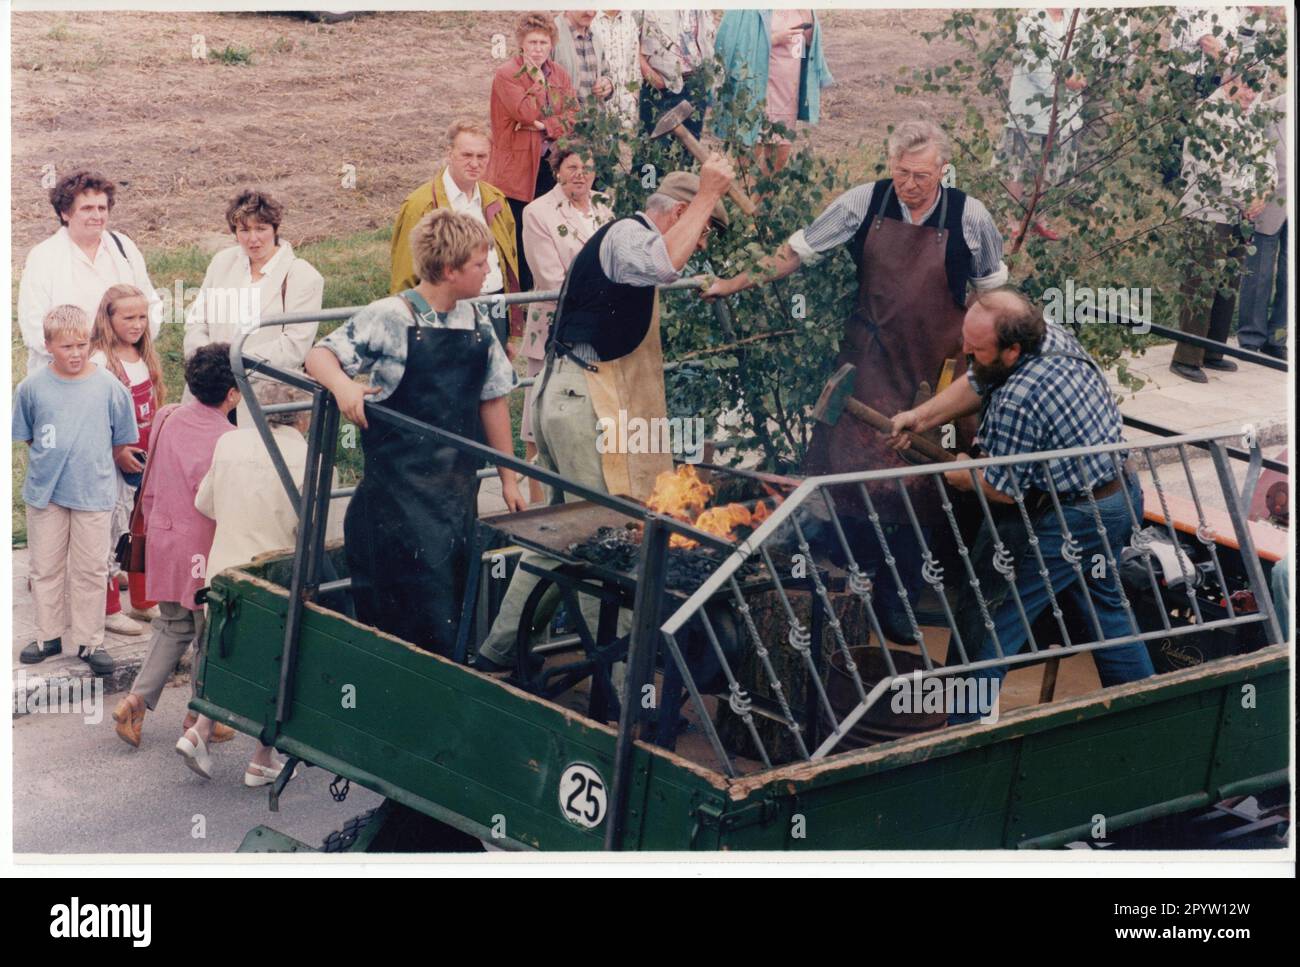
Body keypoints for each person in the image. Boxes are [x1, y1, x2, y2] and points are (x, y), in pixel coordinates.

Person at [705, 119, 1007, 644]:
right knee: (851, 483)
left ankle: (901, 599)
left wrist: (983, 364)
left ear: (942, 169)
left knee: (924, 494)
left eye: (921, 175)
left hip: (938, 377)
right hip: (868, 366)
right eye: (901, 173)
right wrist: (732, 284)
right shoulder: (863, 203)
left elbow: (993, 295)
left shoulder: (970, 217)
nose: (909, 185)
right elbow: (795, 252)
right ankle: (848, 589)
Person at [474, 155, 734, 673]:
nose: (700, 245)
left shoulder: (628, 240)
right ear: (679, 212)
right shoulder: (627, 238)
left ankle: (494, 656)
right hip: (577, 403)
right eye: (701, 230)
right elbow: (665, 264)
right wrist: (711, 193)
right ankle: (616, 685)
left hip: (566, 396)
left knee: (559, 538)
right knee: (603, 539)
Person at [889, 288, 1155, 721]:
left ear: (1013, 349)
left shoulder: (1018, 399)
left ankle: (961, 738)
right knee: (1108, 616)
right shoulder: (1049, 335)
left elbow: (1003, 489)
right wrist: (924, 417)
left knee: (989, 623)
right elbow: (979, 378)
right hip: (1116, 498)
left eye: (976, 349)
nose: (965, 353)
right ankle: (1147, 717)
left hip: (1069, 519)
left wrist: (962, 472)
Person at [307, 210, 524, 656]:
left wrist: (508, 477)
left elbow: (493, 398)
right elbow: (320, 355)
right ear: (449, 270)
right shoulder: (389, 316)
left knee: (449, 619)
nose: (489, 272)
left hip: (454, 499)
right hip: (394, 506)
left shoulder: (475, 321)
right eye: (480, 264)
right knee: (399, 624)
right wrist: (344, 385)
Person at [191, 382, 336, 786]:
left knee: (226, 655)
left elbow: (204, 503)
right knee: (277, 669)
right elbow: (316, 534)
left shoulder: (229, 445)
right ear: (304, 415)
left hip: (223, 570)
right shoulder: (312, 459)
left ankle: (200, 728)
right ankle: (260, 758)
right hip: (272, 577)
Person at [110, 345, 239, 767]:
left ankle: (135, 701)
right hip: (203, 548)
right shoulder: (229, 440)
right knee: (207, 632)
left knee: (171, 625)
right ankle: (199, 714)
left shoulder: (166, 416)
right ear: (233, 394)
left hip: (163, 537)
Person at [13, 305, 138, 678]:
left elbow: (121, 441)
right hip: (46, 493)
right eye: (66, 346)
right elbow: (30, 435)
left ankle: (89, 640)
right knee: (46, 567)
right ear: (48, 344)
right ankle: (48, 635)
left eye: (82, 344)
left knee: (90, 570)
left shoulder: (110, 388)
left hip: (93, 492)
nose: (76, 353)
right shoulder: (31, 387)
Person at [519, 142, 616, 504]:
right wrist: (608, 292)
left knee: (585, 413)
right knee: (539, 415)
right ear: (558, 170)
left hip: (601, 330)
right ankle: (537, 502)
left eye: (588, 168)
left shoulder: (605, 204)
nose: (581, 175)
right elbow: (549, 278)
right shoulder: (538, 212)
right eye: (573, 167)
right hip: (554, 327)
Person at [1169, 74, 1275, 383]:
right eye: (1245, 85)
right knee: (1200, 284)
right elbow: (1210, 169)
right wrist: (1247, 197)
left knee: (1228, 285)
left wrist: (1262, 193)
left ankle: (1213, 350)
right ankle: (1187, 357)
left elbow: (1266, 159)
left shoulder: (1254, 116)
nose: (1250, 94)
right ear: (1230, 79)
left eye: (1256, 88)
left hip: (1241, 213)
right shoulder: (1208, 112)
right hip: (1207, 211)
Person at [183, 189, 324, 419]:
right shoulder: (222, 262)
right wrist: (204, 361)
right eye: (244, 230)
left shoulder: (303, 276)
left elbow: (294, 346)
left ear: (275, 229)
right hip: (211, 391)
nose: (253, 239)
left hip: (262, 394)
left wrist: (233, 362)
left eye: (261, 228)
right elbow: (197, 319)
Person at [391, 119, 522, 349]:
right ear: (449, 153)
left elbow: (509, 263)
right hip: (447, 312)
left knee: (494, 383)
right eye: (467, 155)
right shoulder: (420, 205)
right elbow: (404, 276)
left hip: (494, 305)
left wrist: (510, 332)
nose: (474, 163)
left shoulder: (497, 200)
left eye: (482, 156)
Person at [17, 169, 160, 376]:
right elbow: (34, 327)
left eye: (102, 208)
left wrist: (131, 349)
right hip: (68, 374)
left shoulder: (124, 247)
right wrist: (89, 360)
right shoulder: (43, 257)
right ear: (65, 213)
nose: (97, 216)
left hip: (125, 368)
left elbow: (150, 303)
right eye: (87, 208)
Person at [90, 284, 166, 634]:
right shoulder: (100, 362)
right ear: (109, 318)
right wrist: (116, 452)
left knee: (142, 527)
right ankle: (107, 607)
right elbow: (91, 419)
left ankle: (143, 600)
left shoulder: (143, 355)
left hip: (146, 457)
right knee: (111, 530)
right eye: (128, 317)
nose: (137, 324)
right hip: (115, 462)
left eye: (142, 316)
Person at [487, 12, 578, 293]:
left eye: (543, 42)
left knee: (546, 233)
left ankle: (546, 294)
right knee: (518, 238)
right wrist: (536, 79)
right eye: (532, 42)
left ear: (552, 43)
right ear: (521, 44)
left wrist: (545, 125)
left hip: (549, 165)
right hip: (517, 171)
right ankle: (518, 303)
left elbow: (574, 114)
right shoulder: (507, 74)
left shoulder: (560, 73)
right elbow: (524, 111)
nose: (538, 48)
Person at [999, 8, 1087, 241]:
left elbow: (1082, 55)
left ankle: (1040, 217)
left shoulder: (1076, 17)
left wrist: (1081, 76)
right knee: (1018, 164)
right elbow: (1032, 66)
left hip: (1065, 106)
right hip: (1032, 106)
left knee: (1052, 166)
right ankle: (1013, 220)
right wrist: (1065, 80)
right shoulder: (1029, 19)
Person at [714, 9, 833, 173]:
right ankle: (741, 198)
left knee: (779, 158)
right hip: (756, 93)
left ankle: (760, 199)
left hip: (786, 93)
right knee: (748, 159)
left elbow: (810, 44)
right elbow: (730, 46)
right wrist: (775, 38)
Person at [1236, 92, 1287, 360]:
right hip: (1268, 204)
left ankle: (1278, 340)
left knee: (1290, 276)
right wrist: (1250, 195)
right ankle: (1250, 339)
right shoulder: (1268, 111)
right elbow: (1251, 157)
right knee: (1259, 272)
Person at [639, 9, 716, 141]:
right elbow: (629, 39)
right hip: (662, 87)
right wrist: (652, 77)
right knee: (654, 151)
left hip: (696, 84)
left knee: (689, 151)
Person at [592, 10, 643, 129]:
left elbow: (634, 65)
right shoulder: (591, 20)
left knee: (628, 146)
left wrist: (633, 98)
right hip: (599, 109)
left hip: (627, 110)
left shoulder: (629, 20)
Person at [552, 10, 615, 104]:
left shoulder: (595, 37)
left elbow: (605, 72)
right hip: (564, 117)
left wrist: (607, 84)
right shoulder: (550, 33)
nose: (590, 13)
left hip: (595, 117)